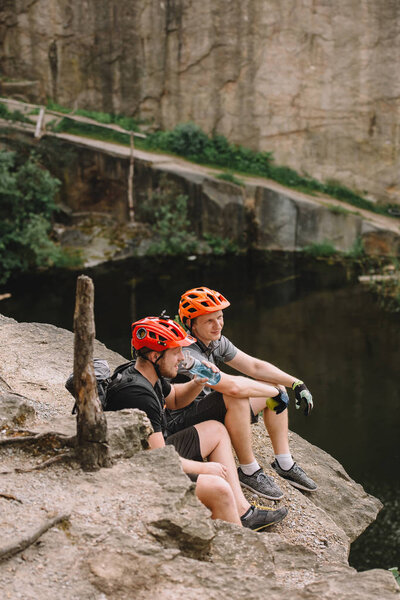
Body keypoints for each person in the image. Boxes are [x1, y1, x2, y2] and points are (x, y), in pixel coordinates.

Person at [105, 315, 288, 531]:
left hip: (151, 453)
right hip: (138, 472)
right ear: (155, 355)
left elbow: (173, 399)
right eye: (176, 352)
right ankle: (236, 545)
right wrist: (206, 468)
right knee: (218, 487)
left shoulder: (145, 373)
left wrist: (198, 382)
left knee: (216, 430)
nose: (182, 358)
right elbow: (158, 460)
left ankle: (243, 513)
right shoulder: (139, 396)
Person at [166, 286, 317, 500]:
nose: (217, 325)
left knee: (275, 385)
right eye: (209, 321)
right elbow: (231, 386)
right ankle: (248, 470)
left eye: (220, 317)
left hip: (204, 408)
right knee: (235, 396)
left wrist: (295, 384)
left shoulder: (215, 341)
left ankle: (284, 462)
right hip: (182, 423)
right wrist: (272, 392)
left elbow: (254, 367)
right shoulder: (187, 355)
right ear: (191, 324)